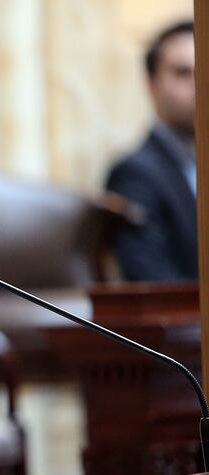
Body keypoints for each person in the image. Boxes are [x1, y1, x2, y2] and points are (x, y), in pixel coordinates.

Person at [106, 20, 197, 282]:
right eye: (182, 73)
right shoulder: (134, 173)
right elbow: (150, 278)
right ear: (152, 86)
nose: (198, 85)